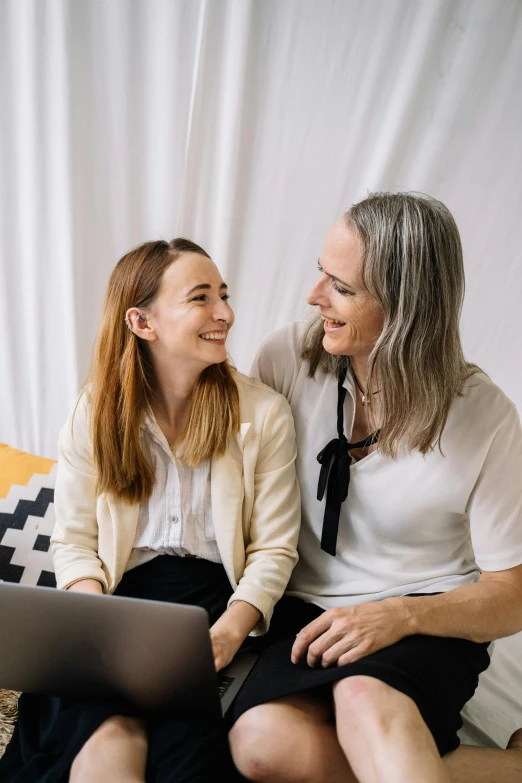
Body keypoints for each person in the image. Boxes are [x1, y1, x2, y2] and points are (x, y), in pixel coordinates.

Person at [228, 193, 522, 783]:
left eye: (341, 287)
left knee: (366, 699)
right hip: (306, 612)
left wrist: (399, 617)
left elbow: (511, 593)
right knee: (261, 743)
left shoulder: (484, 415)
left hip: (425, 616)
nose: (314, 297)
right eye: (321, 274)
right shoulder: (287, 358)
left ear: (406, 304)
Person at [0, 237, 300, 783]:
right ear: (141, 323)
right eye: (201, 298)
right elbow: (72, 543)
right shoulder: (94, 413)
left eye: (224, 295)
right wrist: (98, 627)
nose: (225, 314)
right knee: (107, 735)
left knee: (179, 758)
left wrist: (231, 632)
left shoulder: (264, 412)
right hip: (111, 609)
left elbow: (275, 549)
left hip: (215, 612)